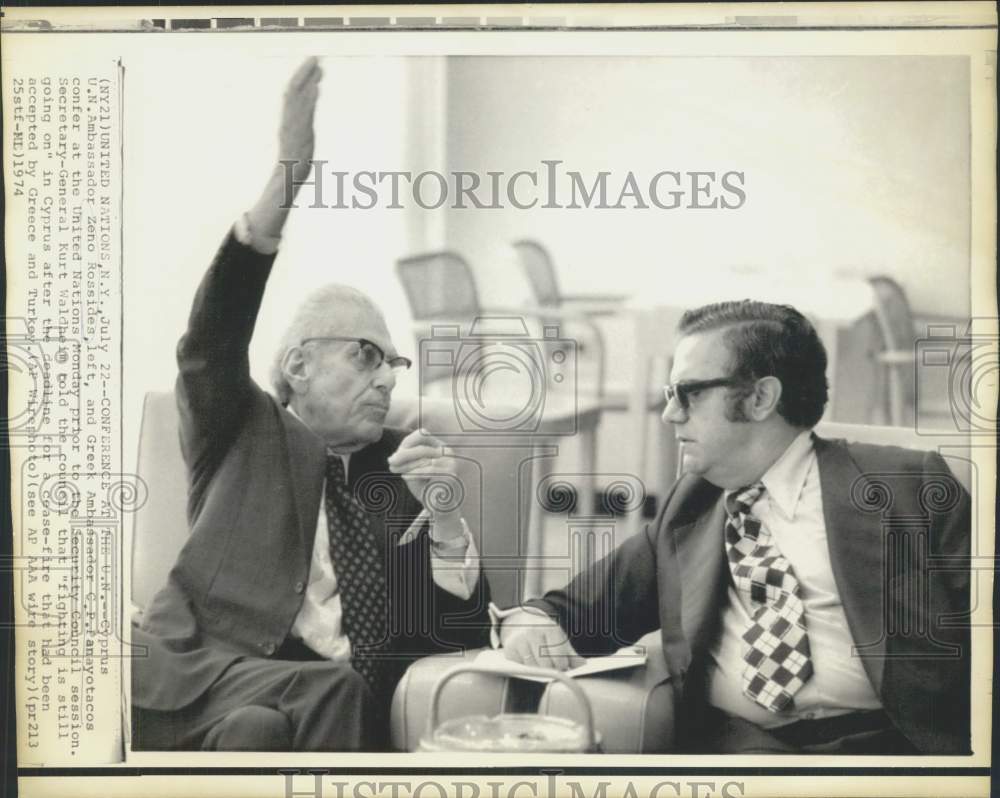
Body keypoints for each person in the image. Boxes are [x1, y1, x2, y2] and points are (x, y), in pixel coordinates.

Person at [131, 58, 490, 752]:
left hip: (275, 707)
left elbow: (458, 642)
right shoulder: (239, 428)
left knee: (259, 733)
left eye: (394, 363)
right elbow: (211, 338)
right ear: (297, 364)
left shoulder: (404, 470)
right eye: (365, 354)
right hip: (197, 672)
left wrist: (446, 526)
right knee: (333, 688)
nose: (386, 379)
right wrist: (287, 180)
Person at [494, 300, 970, 755]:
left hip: (894, 752)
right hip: (741, 753)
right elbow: (575, 611)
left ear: (761, 397)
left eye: (690, 393)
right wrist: (528, 621)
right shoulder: (689, 506)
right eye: (669, 394)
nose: (670, 413)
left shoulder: (908, 487)